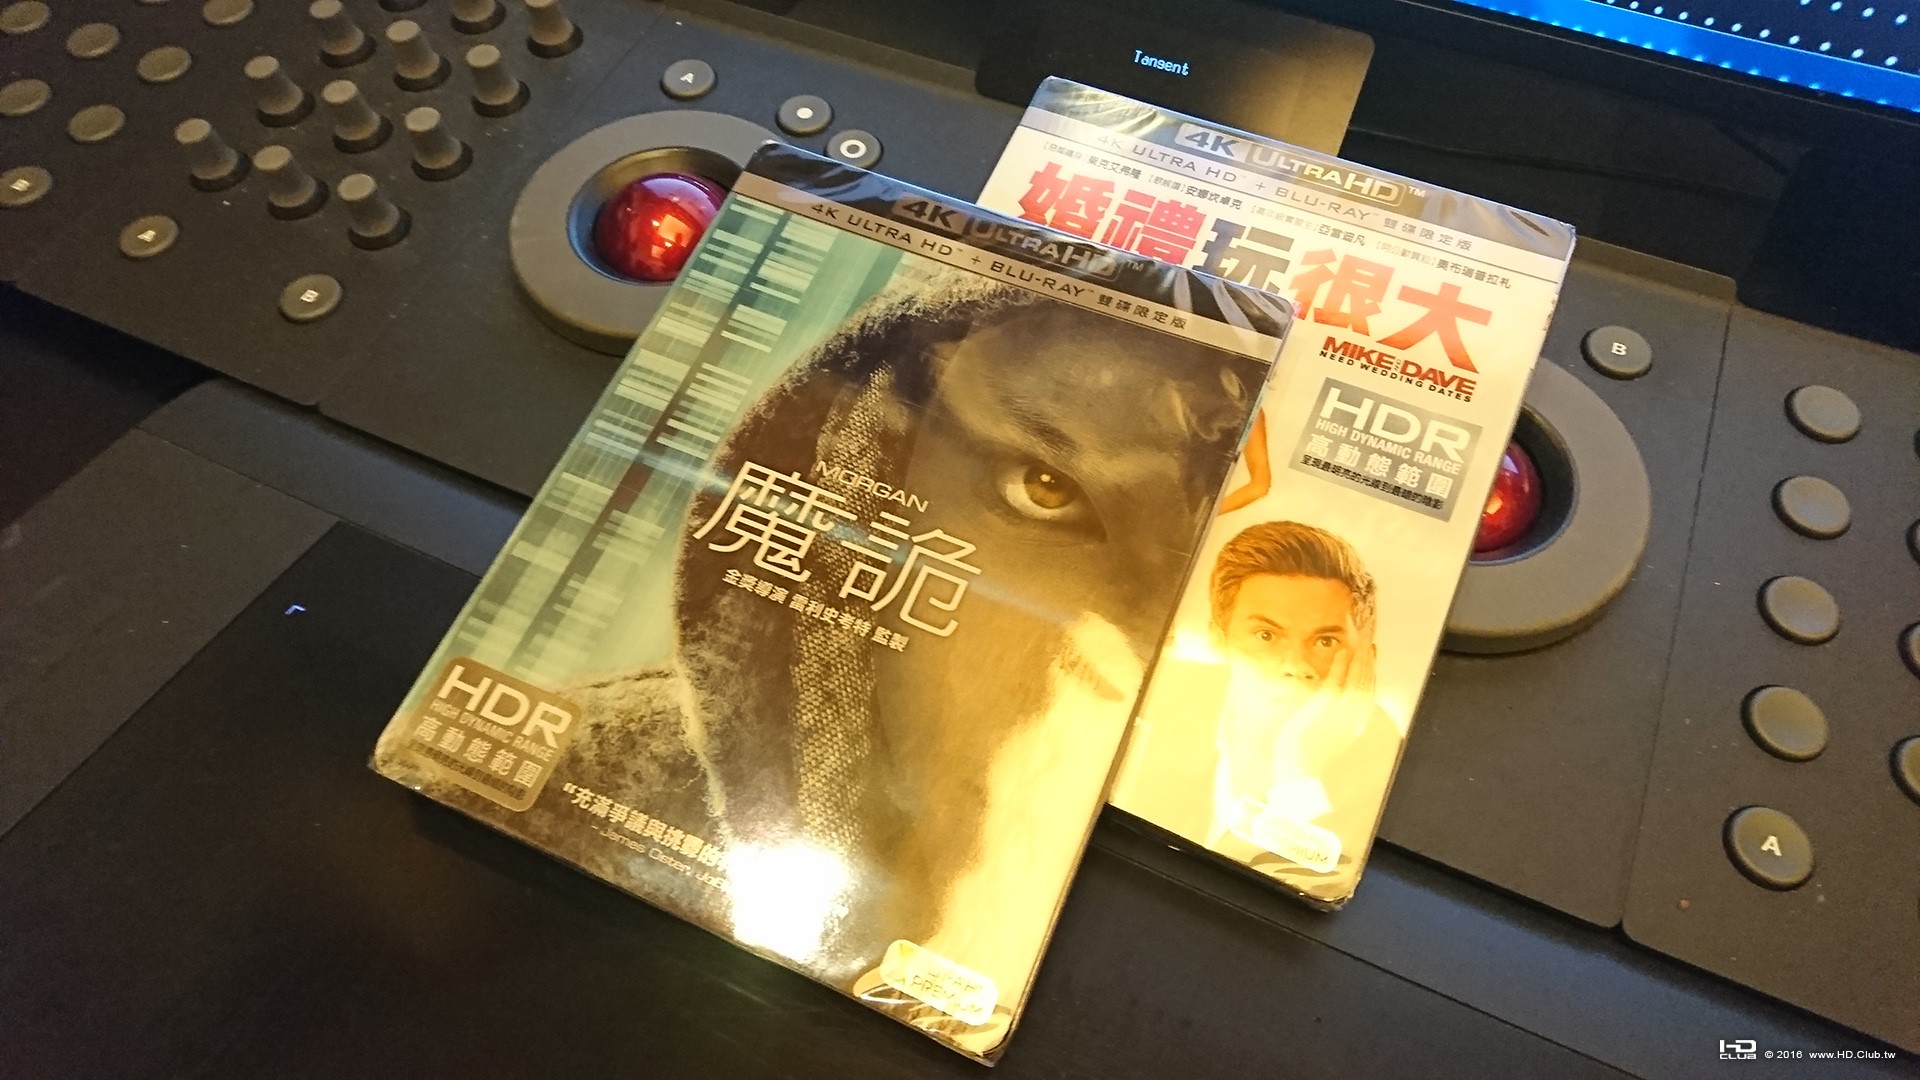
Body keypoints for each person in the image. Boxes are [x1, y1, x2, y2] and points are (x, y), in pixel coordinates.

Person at [1203, 521, 1400, 887]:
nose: (1295, 666)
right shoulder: (1153, 716)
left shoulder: (1390, 771)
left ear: (1366, 661)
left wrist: (1298, 777)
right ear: (1218, 641)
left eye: (1325, 642)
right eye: (1266, 635)